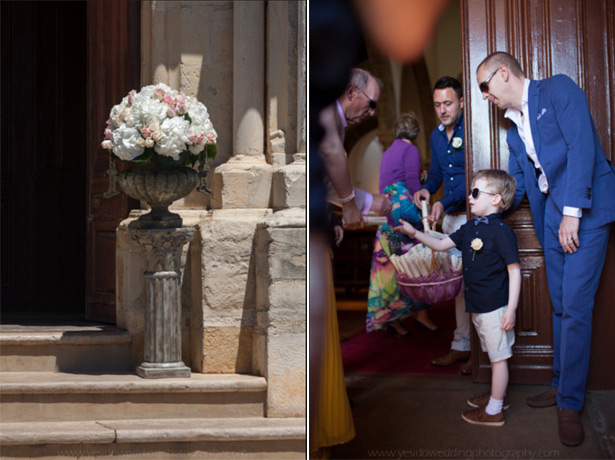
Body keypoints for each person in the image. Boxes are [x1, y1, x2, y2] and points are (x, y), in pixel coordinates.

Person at [476, 51, 615, 446]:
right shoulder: (511, 129)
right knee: (558, 303)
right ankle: (559, 384)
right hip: (553, 215)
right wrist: (486, 207)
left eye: (485, 87)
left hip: (584, 209)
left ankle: (569, 403)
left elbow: (582, 149)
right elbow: (518, 183)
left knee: (575, 305)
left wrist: (572, 212)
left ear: (503, 73)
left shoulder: (558, 89)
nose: (485, 96)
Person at [396, 169, 521, 426]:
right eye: (470, 192)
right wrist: (414, 233)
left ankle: (495, 410)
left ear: (496, 199)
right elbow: (441, 245)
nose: (470, 197)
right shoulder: (470, 227)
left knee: (498, 359)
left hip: (496, 307)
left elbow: (514, 271)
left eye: (476, 192)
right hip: (477, 305)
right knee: (491, 353)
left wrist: (511, 309)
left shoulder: (502, 232)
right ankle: (499, 395)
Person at [412, 76, 472, 374]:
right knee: (458, 286)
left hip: (472, 217)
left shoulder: (472, 129)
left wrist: (444, 202)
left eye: (448, 103)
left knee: (476, 284)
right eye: (437, 104)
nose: (443, 110)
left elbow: (472, 178)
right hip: (449, 217)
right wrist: (427, 189)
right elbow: (436, 175)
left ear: (461, 102)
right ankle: (461, 347)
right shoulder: (437, 136)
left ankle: (483, 354)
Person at [367, 113, 438, 337]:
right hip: (405, 212)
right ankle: (421, 315)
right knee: (418, 262)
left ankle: (394, 319)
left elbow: (385, 184)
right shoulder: (411, 150)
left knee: (391, 267)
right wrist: (424, 188)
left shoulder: (388, 152)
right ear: (415, 132)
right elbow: (413, 184)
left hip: (389, 211)